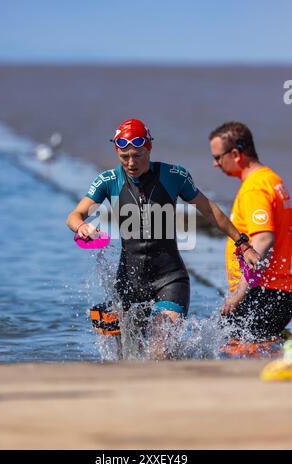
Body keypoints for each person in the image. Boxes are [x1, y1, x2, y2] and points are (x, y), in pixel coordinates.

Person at [66, 118, 260, 358]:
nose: (130, 162)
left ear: (148, 148)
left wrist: (243, 244)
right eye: (124, 155)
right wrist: (82, 227)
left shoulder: (173, 175)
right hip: (128, 282)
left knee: (160, 351)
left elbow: (209, 210)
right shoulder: (108, 181)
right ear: (117, 152)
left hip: (170, 279)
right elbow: (75, 215)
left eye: (137, 155)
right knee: (126, 357)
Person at [209, 121, 292, 341]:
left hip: (265, 290)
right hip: (278, 289)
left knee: (234, 347)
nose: (215, 164)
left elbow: (264, 239)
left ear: (235, 154)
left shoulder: (255, 188)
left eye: (218, 157)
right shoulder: (272, 179)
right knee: (255, 344)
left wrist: (239, 294)